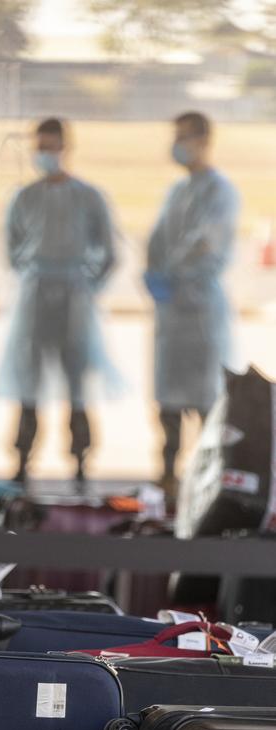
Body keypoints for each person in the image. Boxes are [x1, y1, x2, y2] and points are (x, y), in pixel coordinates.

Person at [0, 117, 117, 485]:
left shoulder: (89, 197)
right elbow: (13, 248)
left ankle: (81, 459)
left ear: (66, 148)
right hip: (34, 298)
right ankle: (22, 459)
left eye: (52, 147)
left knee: (77, 382)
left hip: (75, 297)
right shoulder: (24, 197)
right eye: (41, 147)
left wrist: (84, 284)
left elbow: (108, 252)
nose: (46, 155)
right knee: (28, 381)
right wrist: (38, 276)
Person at [146, 112, 239, 490]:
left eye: (185, 138)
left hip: (200, 307)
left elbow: (205, 242)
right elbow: (158, 237)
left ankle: (205, 476)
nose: (178, 145)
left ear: (203, 141)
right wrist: (153, 269)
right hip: (172, 310)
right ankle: (168, 471)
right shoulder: (177, 191)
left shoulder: (220, 191)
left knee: (204, 396)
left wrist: (174, 269)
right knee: (168, 396)